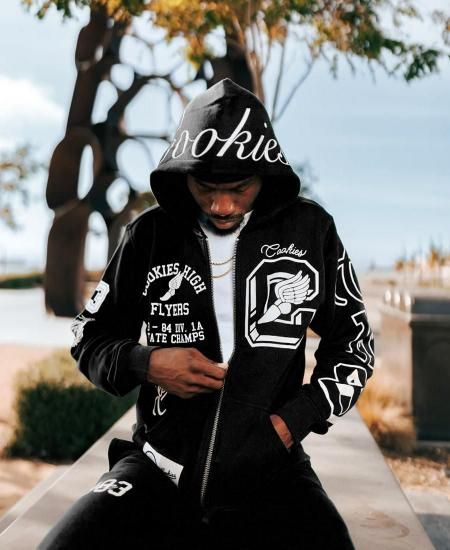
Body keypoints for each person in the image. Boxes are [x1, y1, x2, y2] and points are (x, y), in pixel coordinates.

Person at [39, 77, 375, 549]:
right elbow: (87, 336)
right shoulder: (148, 235)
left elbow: (354, 346)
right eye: (205, 187)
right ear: (184, 176)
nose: (221, 205)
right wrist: (147, 363)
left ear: (265, 175)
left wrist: (293, 421)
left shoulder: (310, 231)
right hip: (157, 467)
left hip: (271, 472)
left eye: (239, 188)